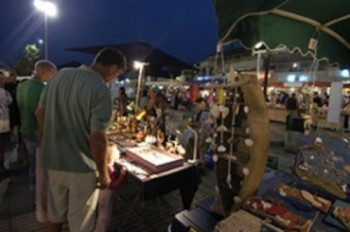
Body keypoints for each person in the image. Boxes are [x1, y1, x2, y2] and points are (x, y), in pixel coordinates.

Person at [36, 47, 126, 232]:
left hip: (54, 160)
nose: (114, 79)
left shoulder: (59, 76)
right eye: (117, 74)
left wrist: (48, 138)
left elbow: (40, 112)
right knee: (81, 223)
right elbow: (98, 138)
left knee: (55, 215)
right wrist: (103, 173)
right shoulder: (100, 89)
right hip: (81, 166)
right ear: (112, 68)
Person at [17, 60, 57, 191]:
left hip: (25, 128)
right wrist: (43, 133)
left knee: (32, 161)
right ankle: (40, 189)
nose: (53, 77)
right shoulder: (42, 89)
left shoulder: (22, 86)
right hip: (37, 131)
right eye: (52, 74)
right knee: (41, 163)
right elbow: (40, 113)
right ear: (43, 72)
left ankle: (32, 184)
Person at [94, 143, 126, 232]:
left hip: (101, 192)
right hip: (108, 193)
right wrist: (122, 176)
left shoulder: (104, 166)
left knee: (100, 209)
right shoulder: (110, 169)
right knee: (105, 213)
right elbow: (114, 185)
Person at [0, 71, 13, 176]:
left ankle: (2, 166)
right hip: (3, 122)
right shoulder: (4, 92)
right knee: (3, 144)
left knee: (3, 144)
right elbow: (10, 102)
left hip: (5, 122)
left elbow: (9, 101)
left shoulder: (4, 91)